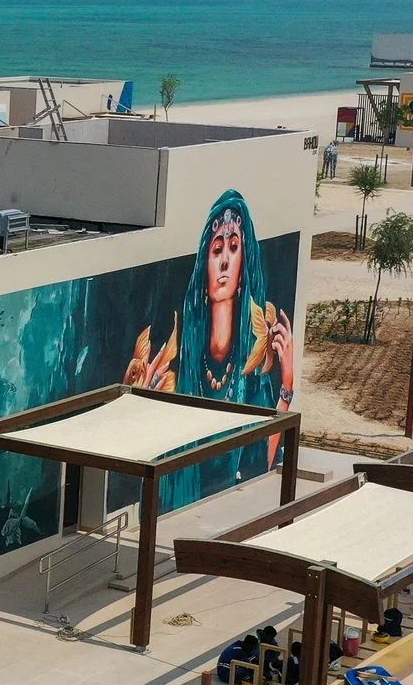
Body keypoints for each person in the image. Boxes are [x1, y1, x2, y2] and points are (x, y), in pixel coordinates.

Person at [124, 190, 296, 492]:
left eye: (233, 248)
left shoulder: (253, 367)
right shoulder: (179, 355)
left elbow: (260, 466)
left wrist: (287, 385)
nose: (225, 262)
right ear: (205, 260)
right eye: (217, 251)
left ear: (245, 260)